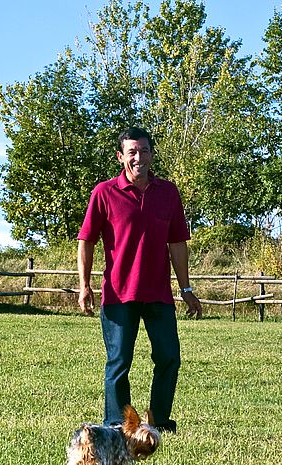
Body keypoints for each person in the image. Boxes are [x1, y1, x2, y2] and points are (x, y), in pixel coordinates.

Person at [77, 127, 202, 434]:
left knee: (169, 357)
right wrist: (84, 286)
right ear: (121, 157)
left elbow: (177, 244)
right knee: (119, 363)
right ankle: (117, 426)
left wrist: (185, 289)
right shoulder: (104, 193)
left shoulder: (168, 193)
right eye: (132, 152)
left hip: (158, 294)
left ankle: (158, 421)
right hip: (119, 295)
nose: (138, 158)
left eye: (144, 151)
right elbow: (86, 240)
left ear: (151, 154)